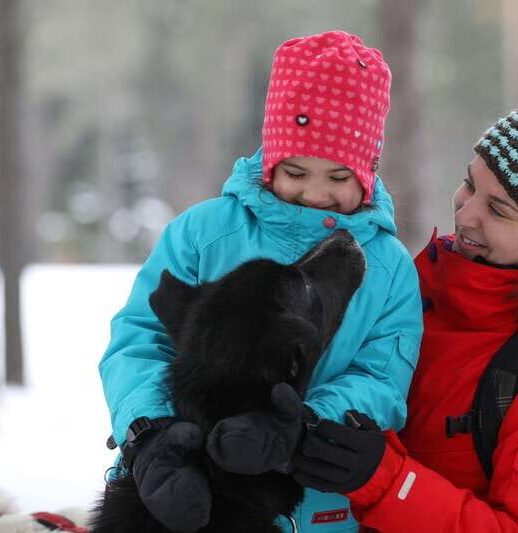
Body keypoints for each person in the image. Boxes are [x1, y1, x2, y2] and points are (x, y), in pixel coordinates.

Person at [98, 30, 423, 533]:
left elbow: (381, 379)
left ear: (368, 171)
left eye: (338, 178)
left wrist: (297, 425)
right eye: (295, 171)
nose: (315, 194)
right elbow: (139, 340)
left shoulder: (389, 267)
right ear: (270, 158)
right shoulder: (204, 234)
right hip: (175, 488)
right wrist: (150, 432)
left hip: (311, 504)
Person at [289, 98, 518, 532]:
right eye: (470, 184)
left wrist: (385, 482)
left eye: (498, 210)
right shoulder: (421, 289)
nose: (466, 213)